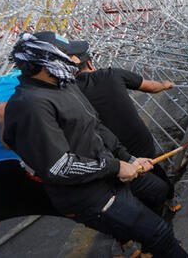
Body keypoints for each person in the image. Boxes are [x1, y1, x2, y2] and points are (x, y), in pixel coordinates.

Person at [3, 33, 188, 257]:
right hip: (89, 196)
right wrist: (116, 167)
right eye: (66, 56)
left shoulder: (64, 85)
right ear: (44, 62)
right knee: (159, 233)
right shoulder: (30, 105)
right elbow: (60, 167)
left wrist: (127, 158)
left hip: (108, 177)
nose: (73, 62)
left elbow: (96, 126)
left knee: (157, 196)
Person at [62, 37, 178, 213]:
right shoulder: (112, 74)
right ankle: (169, 200)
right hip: (138, 141)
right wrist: (166, 84)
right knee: (152, 168)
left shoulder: (68, 94)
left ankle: (132, 218)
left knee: (122, 184)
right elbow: (152, 87)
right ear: (91, 63)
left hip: (106, 150)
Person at [0, 69, 60, 227]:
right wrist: (2, 119)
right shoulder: (11, 83)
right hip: (0, 172)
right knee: (65, 202)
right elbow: (6, 142)